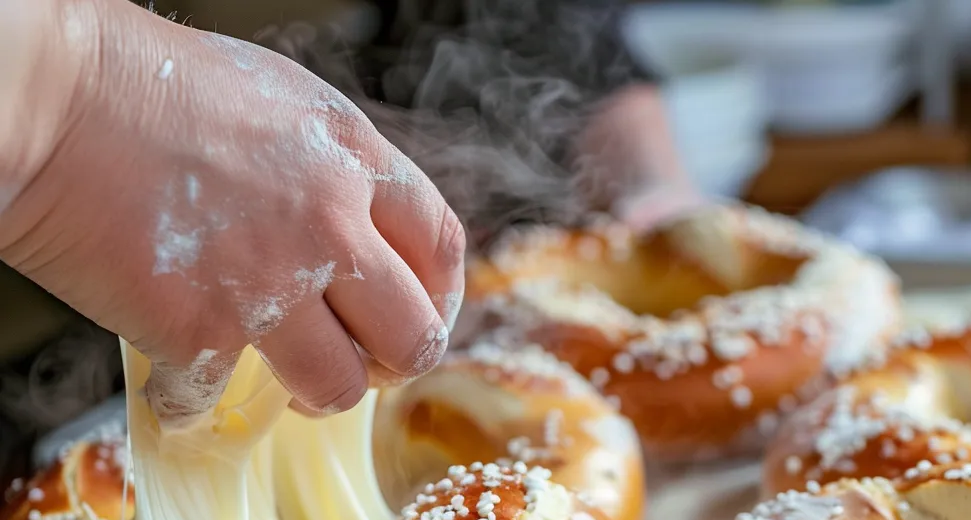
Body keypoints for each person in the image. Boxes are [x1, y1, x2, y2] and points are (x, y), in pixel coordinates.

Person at [0, 0, 699, 427]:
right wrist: (75, 95)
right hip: (34, 366)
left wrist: (621, 145)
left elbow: (524, 21)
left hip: (349, 277)